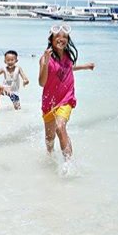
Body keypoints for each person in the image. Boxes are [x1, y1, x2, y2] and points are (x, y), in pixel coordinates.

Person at [39, 23, 94, 163]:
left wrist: (84, 67)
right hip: (49, 102)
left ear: (68, 40)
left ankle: (68, 164)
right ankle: (50, 158)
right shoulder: (45, 59)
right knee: (49, 139)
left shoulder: (68, 57)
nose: (61, 39)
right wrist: (45, 63)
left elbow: (68, 68)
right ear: (51, 39)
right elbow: (42, 82)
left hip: (66, 99)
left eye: (64, 37)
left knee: (60, 126)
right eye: (57, 36)